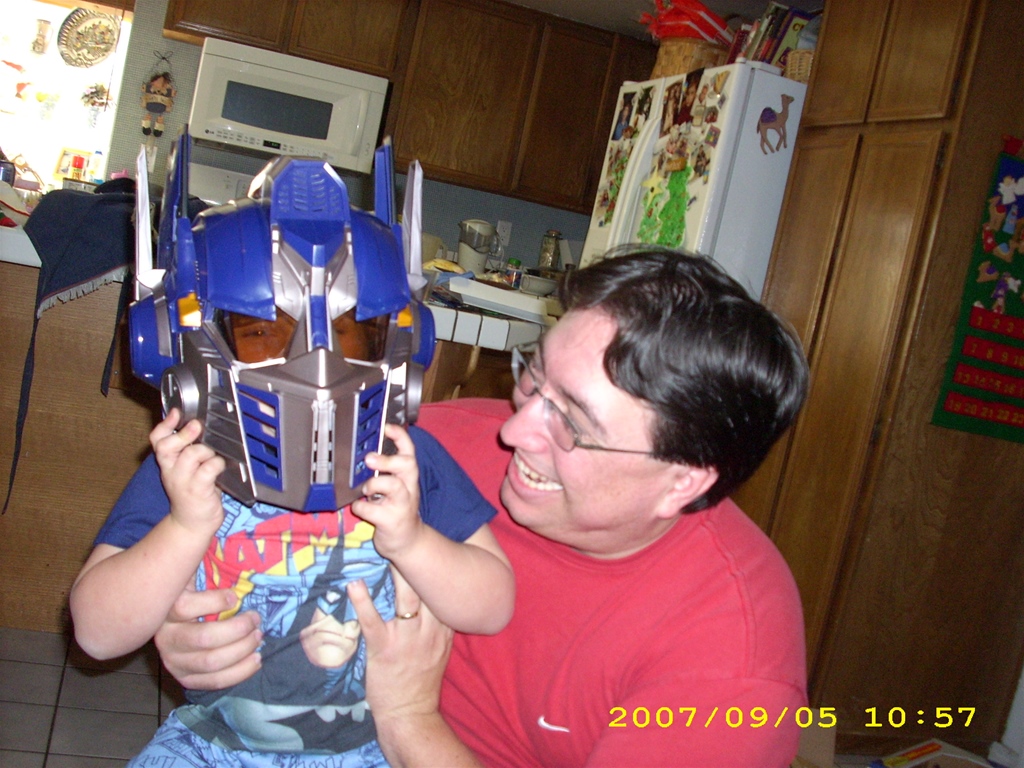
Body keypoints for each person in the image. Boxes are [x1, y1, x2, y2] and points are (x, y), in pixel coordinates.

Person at [159, 246, 810, 767]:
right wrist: (184, 620)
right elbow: (233, 520)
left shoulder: (735, 671)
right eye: (534, 378)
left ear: (682, 482)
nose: (515, 429)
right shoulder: (433, 448)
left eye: (572, 423)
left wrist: (410, 717)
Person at [69, 311, 515, 764]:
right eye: (263, 334)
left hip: (374, 748)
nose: (312, 360)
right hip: (212, 745)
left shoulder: (405, 457)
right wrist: (184, 527)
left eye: (339, 331)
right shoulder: (191, 465)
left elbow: (493, 606)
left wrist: (414, 542)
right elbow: (97, 633)